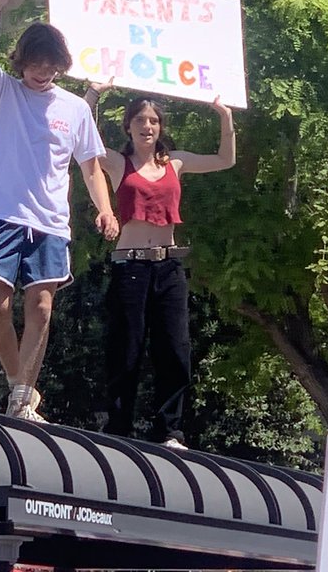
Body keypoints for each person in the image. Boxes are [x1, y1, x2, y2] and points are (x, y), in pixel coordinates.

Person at [0, 0, 119, 423]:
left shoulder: (75, 108)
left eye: (51, 67)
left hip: (51, 220)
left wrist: (104, 208)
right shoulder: (2, 91)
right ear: (22, 62)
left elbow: (90, 165)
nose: (42, 73)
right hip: (4, 213)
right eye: (35, 65)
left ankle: (21, 397)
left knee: (43, 307)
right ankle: (20, 385)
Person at [84, 87, 235, 448]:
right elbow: (84, 142)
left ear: (161, 127)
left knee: (174, 348)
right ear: (128, 127)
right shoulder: (120, 163)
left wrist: (225, 117)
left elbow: (224, 159)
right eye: (140, 120)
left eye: (153, 121)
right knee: (127, 349)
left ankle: (171, 430)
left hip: (168, 267)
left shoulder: (175, 163)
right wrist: (91, 94)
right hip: (130, 267)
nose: (147, 126)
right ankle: (119, 428)